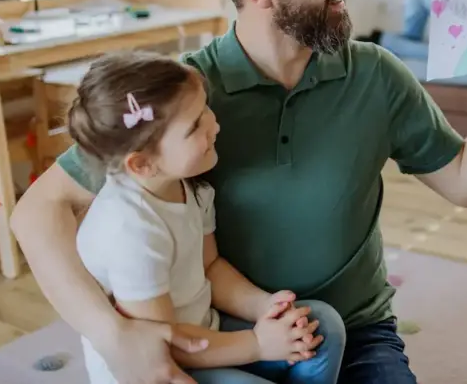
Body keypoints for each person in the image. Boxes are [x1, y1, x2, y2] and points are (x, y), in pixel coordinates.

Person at [11, 0, 467, 384]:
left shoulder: (375, 74)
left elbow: (463, 181)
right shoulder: (179, 98)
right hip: (219, 329)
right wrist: (117, 336)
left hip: (349, 329)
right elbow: (38, 212)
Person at [67, 51, 344, 384]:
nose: (214, 124)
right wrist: (257, 344)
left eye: (205, 109)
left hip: (205, 333)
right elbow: (166, 345)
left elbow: (209, 267)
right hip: (165, 367)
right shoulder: (130, 231)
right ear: (142, 163)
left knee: (321, 325)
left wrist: (263, 307)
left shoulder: (190, 186)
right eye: (195, 125)